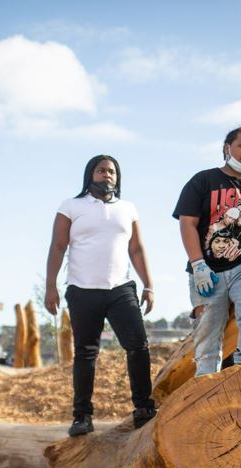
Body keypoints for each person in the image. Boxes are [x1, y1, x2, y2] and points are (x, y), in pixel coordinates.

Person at [44, 155, 156, 437]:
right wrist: (50, 287)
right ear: (90, 175)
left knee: (138, 346)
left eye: (112, 171)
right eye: (101, 170)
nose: (107, 175)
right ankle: (82, 416)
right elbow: (58, 247)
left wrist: (148, 285)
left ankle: (144, 408)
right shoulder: (71, 206)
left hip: (121, 288)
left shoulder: (127, 208)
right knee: (86, 353)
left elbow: (137, 249)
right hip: (82, 290)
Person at [174, 127, 241, 377]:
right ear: (227, 148)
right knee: (207, 338)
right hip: (208, 270)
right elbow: (187, 223)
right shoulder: (202, 181)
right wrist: (198, 264)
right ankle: (207, 392)